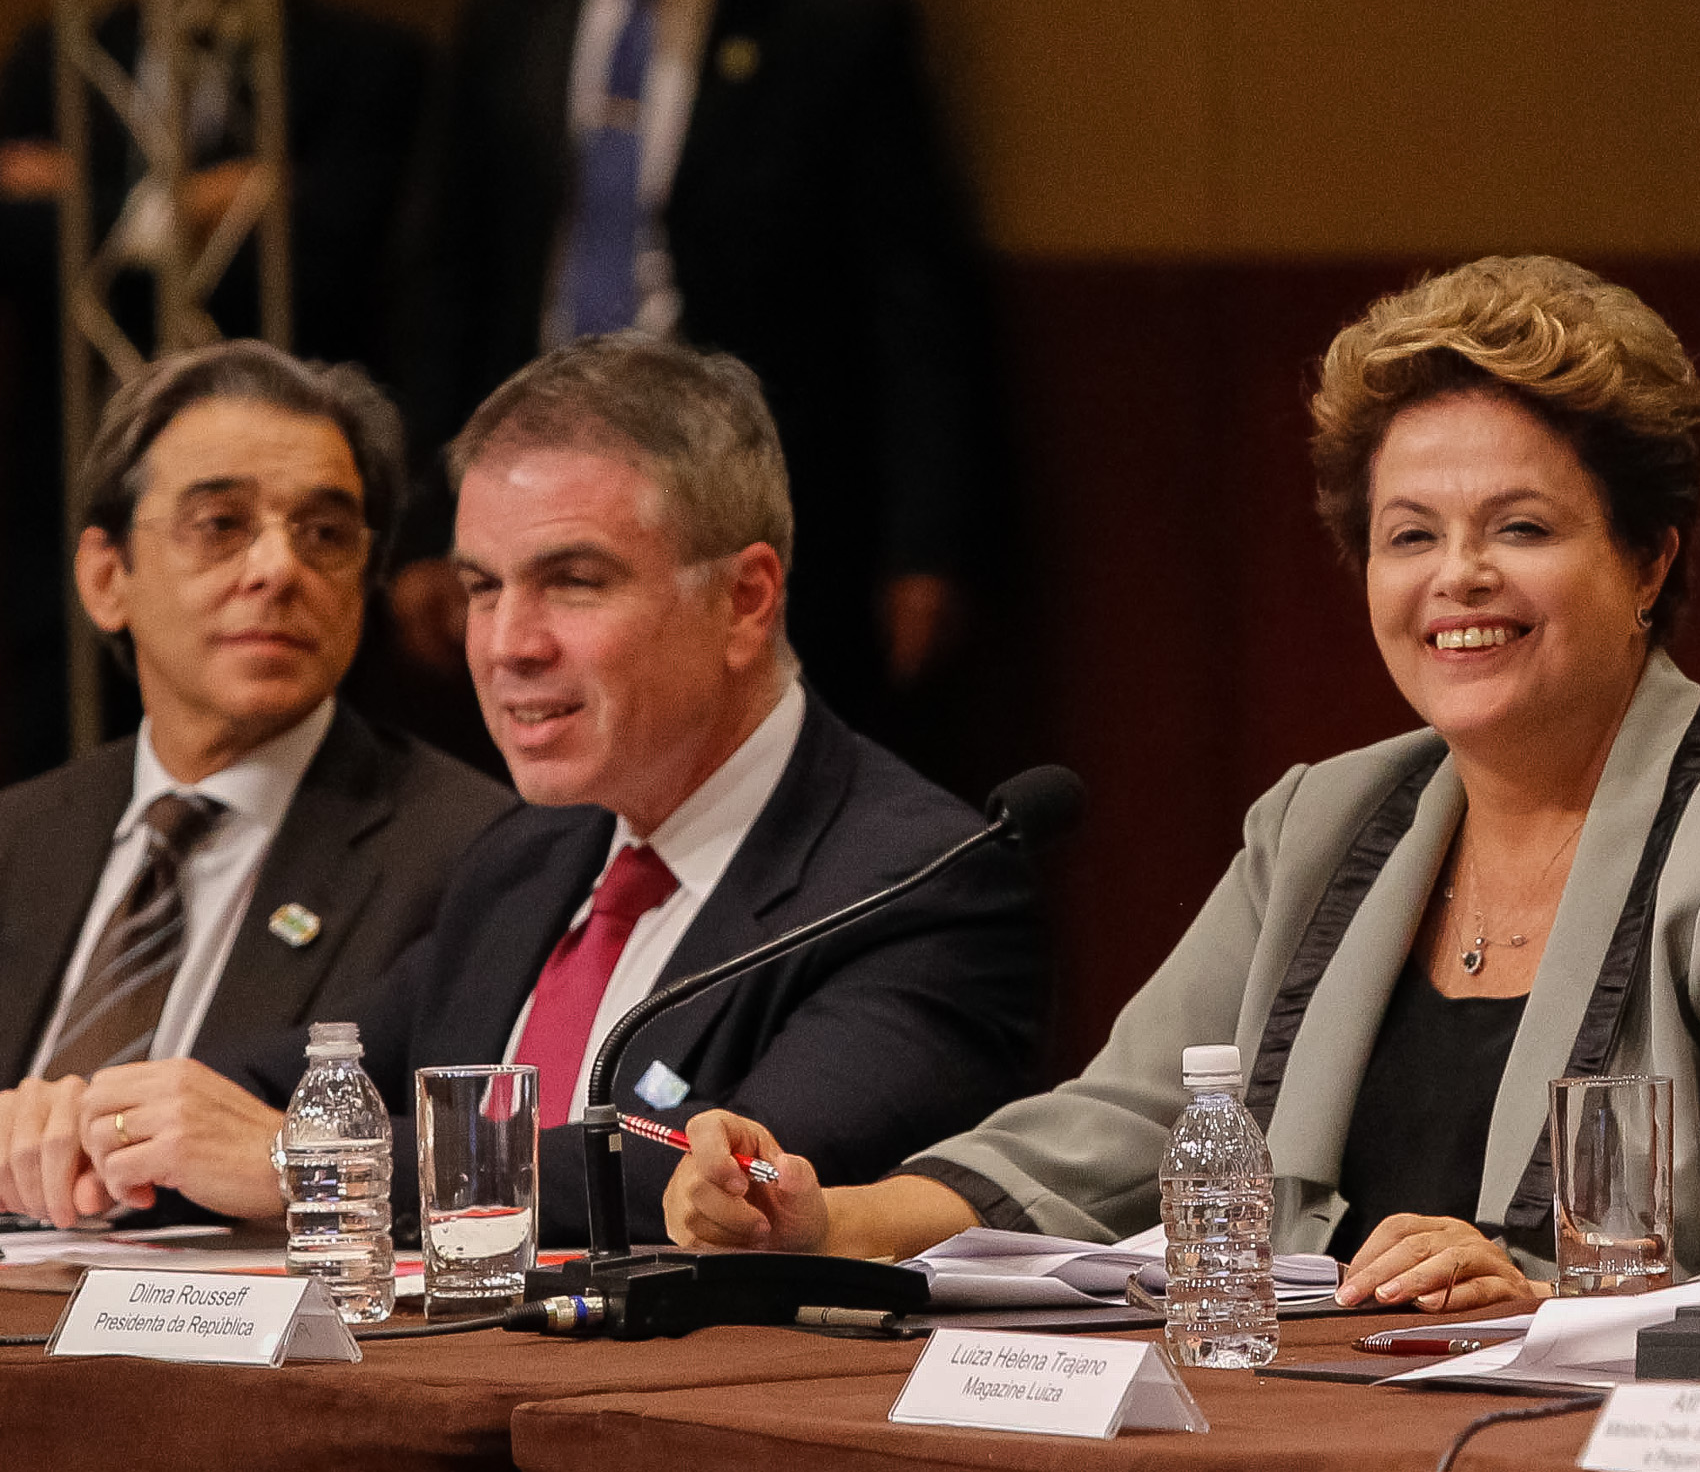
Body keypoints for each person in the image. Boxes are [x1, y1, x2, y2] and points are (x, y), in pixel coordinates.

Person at [663, 255, 1700, 1308]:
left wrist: (1549, 1300)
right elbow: (1128, 1119)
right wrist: (834, 1216)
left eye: (1521, 526)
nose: (1456, 577)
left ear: (1647, 560)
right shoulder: (1326, 821)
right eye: (1409, 535)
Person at [0, 333, 1044, 1241]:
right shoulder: (533, 856)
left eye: (573, 582)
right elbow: (309, 1080)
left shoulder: (917, 885)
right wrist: (100, 1129)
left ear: (744, 599)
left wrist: (313, 1164)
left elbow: (719, 1188)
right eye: (481, 588)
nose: (505, 647)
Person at [401, 0, 991, 735]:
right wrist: (420, 523)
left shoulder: (836, 25)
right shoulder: (509, 12)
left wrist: (924, 546)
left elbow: (910, 306)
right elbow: (450, 278)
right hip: (536, 484)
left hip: (746, 492)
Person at [0, 344, 509, 1225]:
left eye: (324, 534)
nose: (278, 570)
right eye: (221, 524)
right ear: (104, 576)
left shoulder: (472, 856)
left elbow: (481, 1171)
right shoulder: (18, 836)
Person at [0, 0, 432, 782]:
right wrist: (189, 206)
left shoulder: (364, 66)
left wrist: (84, 204)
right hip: (66, 504)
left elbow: (323, 260)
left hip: (282, 511)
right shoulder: (55, 57)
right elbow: (13, 251)